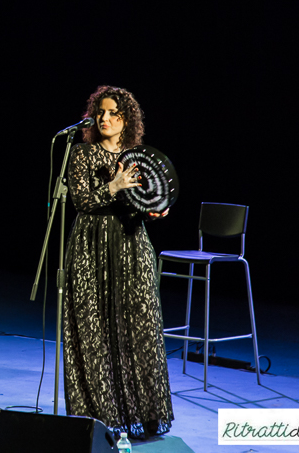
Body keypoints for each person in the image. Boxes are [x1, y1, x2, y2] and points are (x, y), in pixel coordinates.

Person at [62, 85, 174, 437]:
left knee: (140, 329)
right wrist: (114, 185)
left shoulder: (138, 156)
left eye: (114, 114)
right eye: (102, 113)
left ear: (127, 120)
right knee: (92, 330)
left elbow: (148, 200)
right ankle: (100, 418)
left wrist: (156, 209)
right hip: (91, 246)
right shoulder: (83, 153)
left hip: (130, 245)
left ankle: (149, 414)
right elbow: (82, 201)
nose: (106, 119)